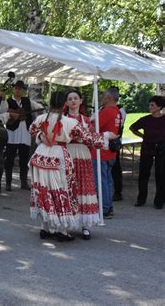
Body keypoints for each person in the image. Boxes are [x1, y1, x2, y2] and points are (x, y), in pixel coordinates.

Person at [29, 91, 116, 241]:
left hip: (41, 156)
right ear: (64, 103)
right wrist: (107, 136)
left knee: (44, 191)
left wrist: (42, 137)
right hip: (59, 157)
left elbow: (32, 130)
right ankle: (62, 231)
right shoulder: (70, 122)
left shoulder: (41, 118)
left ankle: (45, 227)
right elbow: (88, 137)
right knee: (61, 193)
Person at [64, 89, 102, 240]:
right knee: (68, 187)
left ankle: (85, 225)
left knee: (84, 186)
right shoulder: (63, 118)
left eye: (75, 98)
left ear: (80, 101)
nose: (73, 101)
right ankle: (66, 222)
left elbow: (92, 138)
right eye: (70, 99)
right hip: (68, 152)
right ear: (66, 103)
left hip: (83, 154)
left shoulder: (86, 120)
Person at [3, 80, 43, 191]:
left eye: (20, 89)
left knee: (24, 159)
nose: (18, 90)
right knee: (9, 159)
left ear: (23, 90)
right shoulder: (7, 102)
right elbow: (2, 113)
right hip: (12, 133)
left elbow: (39, 109)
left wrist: (40, 114)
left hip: (25, 133)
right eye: (16, 88)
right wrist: (10, 115)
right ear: (13, 89)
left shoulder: (28, 101)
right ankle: (8, 183)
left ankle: (24, 182)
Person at [129, 96, 165, 209]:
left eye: (152, 105)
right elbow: (132, 127)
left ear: (159, 107)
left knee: (161, 175)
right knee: (144, 174)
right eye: (149, 105)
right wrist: (143, 136)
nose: (150, 107)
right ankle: (141, 199)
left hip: (162, 149)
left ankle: (159, 201)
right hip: (147, 148)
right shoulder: (145, 119)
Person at [91, 88, 121, 218]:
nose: (101, 98)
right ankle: (108, 206)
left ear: (109, 97)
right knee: (107, 180)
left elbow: (93, 128)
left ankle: (105, 208)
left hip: (101, 151)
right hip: (110, 151)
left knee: (101, 181)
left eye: (103, 95)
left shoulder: (107, 111)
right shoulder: (118, 112)